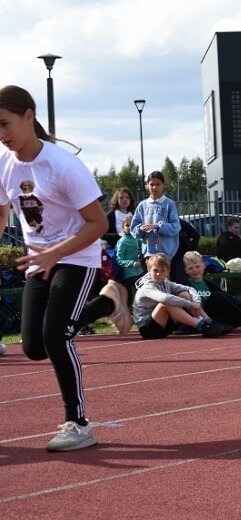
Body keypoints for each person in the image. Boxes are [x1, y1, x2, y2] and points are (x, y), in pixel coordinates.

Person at [0, 84, 129, 451]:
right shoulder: (4, 165)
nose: (1, 135)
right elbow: (1, 212)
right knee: (33, 347)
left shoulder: (63, 165)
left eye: (5, 124)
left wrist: (54, 253)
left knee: (56, 337)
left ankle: (78, 423)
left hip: (76, 256)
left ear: (29, 116)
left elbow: (98, 224)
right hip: (38, 261)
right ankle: (108, 303)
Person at [132, 253, 232, 339]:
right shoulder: (147, 286)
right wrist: (190, 304)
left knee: (184, 294)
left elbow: (189, 289)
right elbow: (164, 298)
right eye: (155, 270)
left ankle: (209, 322)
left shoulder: (165, 282)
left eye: (162, 271)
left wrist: (196, 302)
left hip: (165, 326)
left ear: (168, 271)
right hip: (148, 329)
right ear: (149, 270)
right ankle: (202, 326)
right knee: (166, 303)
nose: (158, 274)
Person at [182, 250, 241, 331]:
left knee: (232, 313)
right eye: (191, 268)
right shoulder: (186, 285)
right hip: (203, 316)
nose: (195, 270)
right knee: (217, 296)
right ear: (186, 271)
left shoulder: (209, 284)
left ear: (204, 266)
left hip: (217, 316)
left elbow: (228, 298)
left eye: (197, 266)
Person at [131, 171, 181, 262]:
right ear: (147, 185)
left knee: (163, 276)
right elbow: (133, 229)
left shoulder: (169, 204)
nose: (154, 187)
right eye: (151, 184)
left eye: (158, 184)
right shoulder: (142, 205)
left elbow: (175, 227)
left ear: (163, 185)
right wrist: (141, 229)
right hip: (148, 253)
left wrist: (158, 226)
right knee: (151, 276)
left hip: (165, 255)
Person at [114, 214, 145, 292]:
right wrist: (132, 263)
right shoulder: (122, 242)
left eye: (132, 225)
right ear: (123, 227)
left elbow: (141, 242)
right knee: (141, 287)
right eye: (127, 225)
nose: (129, 227)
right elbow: (119, 260)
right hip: (128, 273)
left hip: (139, 270)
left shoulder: (136, 237)